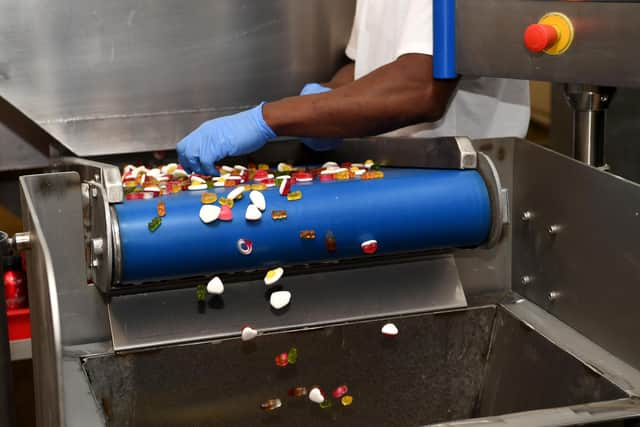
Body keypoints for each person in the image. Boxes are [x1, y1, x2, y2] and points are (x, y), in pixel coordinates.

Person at [177, 0, 529, 175]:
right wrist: (324, 97)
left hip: (465, 180)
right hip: (393, 171)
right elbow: (367, 67)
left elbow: (422, 87)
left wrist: (268, 119)